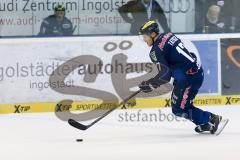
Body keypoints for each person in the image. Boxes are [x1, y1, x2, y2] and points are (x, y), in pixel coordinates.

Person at [138, 20, 227, 134]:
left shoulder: (155, 51)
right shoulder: (168, 35)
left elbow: (165, 76)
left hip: (188, 79)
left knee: (179, 110)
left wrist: (150, 84)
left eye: (145, 36)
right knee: (182, 105)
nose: (144, 40)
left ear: (153, 34)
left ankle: (211, 119)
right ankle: (205, 123)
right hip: (195, 73)